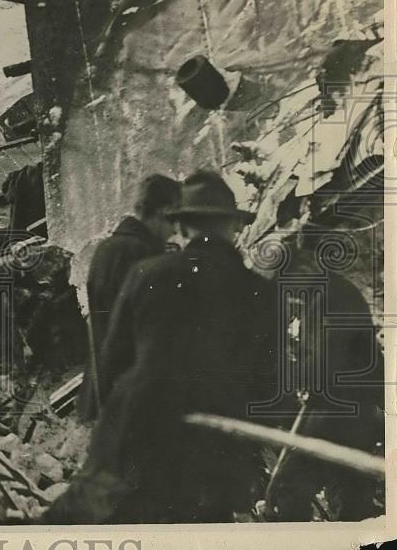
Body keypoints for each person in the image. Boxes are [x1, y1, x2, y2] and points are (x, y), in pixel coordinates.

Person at [43, 170, 281, 524]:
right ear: (234, 228)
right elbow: (267, 387)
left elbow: (112, 361)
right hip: (214, 453)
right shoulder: (261, 293)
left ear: (183, 226)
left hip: (140, 438)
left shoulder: (147, 274)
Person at [253, 224, 384, 521]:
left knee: (285, 491)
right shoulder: (326, 293)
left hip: (342, 411)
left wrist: (283, 378)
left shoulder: (329, 297)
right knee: (351, 498)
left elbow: (321, 368)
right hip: (352, 410)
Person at [77, 174, 181, 422]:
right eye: (174, 221)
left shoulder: (107, 248)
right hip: (129, 393)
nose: (175, 231)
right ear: (164, 211)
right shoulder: (140, 253)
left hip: (101, 387)